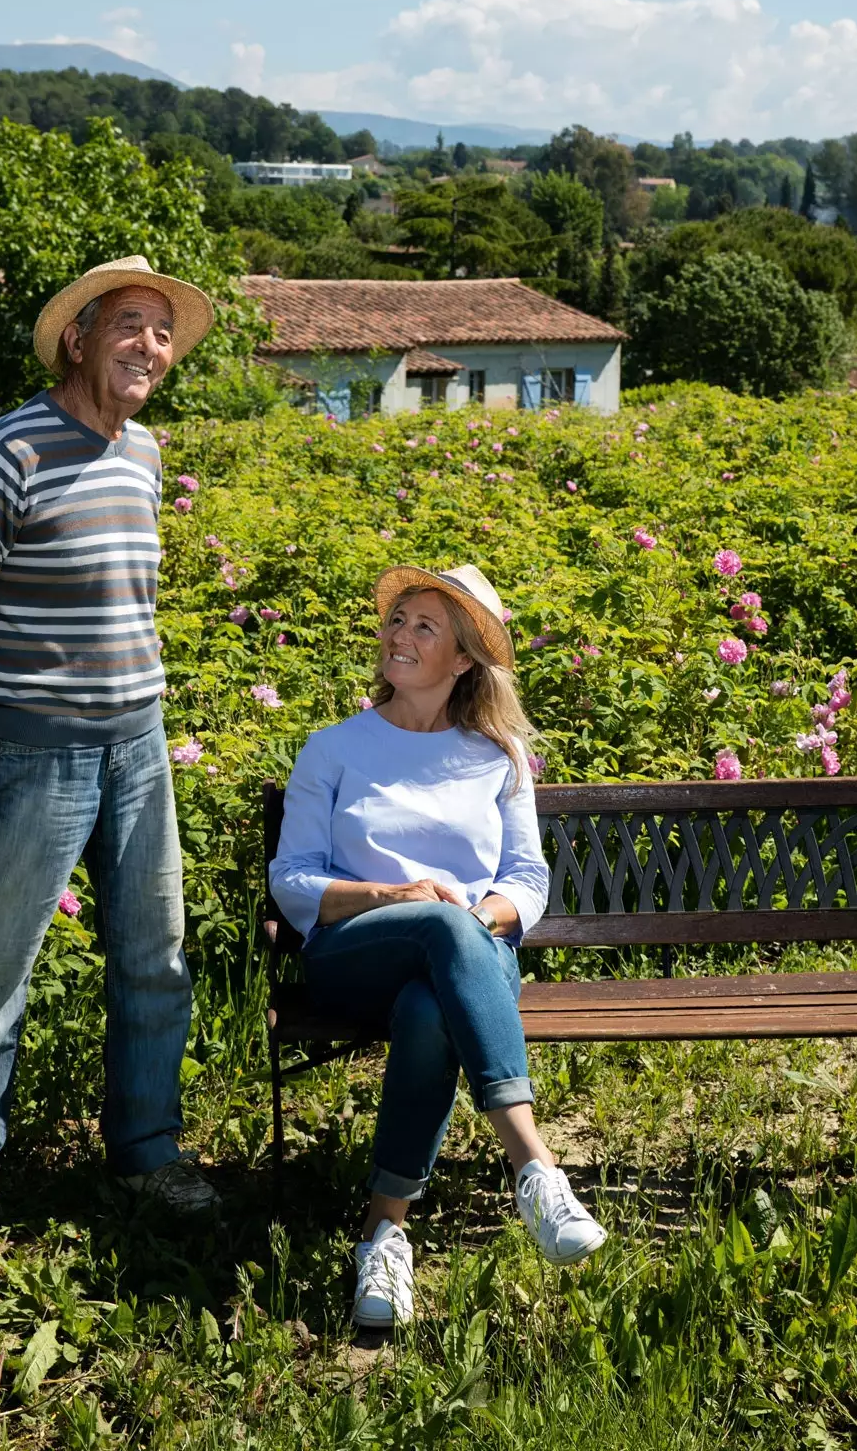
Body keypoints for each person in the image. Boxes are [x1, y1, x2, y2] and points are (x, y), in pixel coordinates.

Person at [0, 255, 218, 1282]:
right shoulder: (8, 450)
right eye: (130, 324)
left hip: (139, 742)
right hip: (36, 752)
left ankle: (144, 1154)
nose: (149, 345)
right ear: (78, 336)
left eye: (163, 332)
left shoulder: (144, 454)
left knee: (154, 958)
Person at [270, 563, 607, 1330]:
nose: (400, 636)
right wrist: (391, 896)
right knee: (439, 925)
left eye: (425, 626)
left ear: (461, 661)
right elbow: (291, 879)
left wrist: (476, 921)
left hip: (464, 960)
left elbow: (525, 879)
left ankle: (382, 1236)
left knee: (430, 1008)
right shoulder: (334, 748)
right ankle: (534, 1166)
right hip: (351, 950)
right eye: (398, 621)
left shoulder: (496, 757)